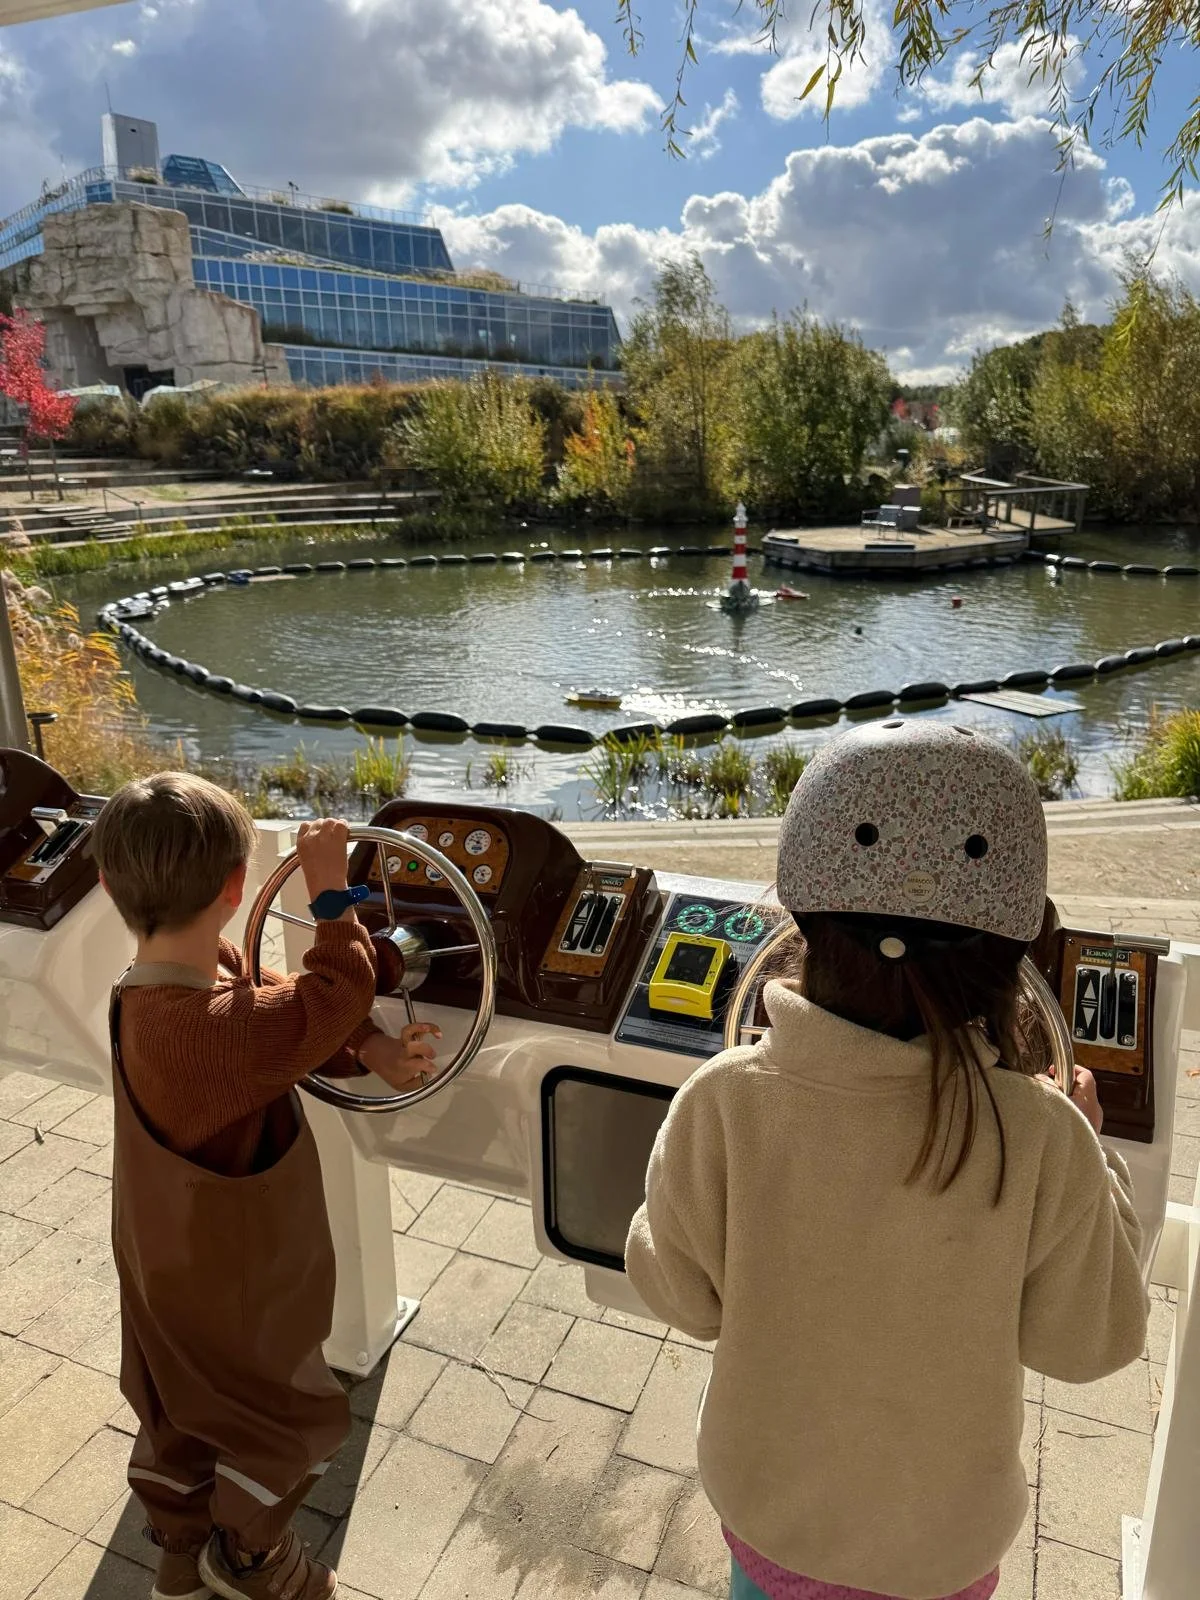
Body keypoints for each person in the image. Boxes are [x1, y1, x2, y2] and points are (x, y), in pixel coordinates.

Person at [625, 719, 1149, 1600]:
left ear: (805, 917)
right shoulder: (1043, 1136)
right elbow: (1090, 1340)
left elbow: (676, 1289)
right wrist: (1094, 1160)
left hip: (771, 1521)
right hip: (940, 1549)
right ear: (1011, 955)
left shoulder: (722, 1103)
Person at [91, 773, 439, 1600]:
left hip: (157, 1262)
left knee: (172, 1409)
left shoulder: (152, 990)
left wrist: (366, 1049)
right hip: (231, 1286)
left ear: (108, 885)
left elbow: (278, 1010)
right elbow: (331, 989)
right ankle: (246, 1556)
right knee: (283, 1419)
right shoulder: (215, 1036)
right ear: (237, 887)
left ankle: (178, 1555)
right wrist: (333, 892)